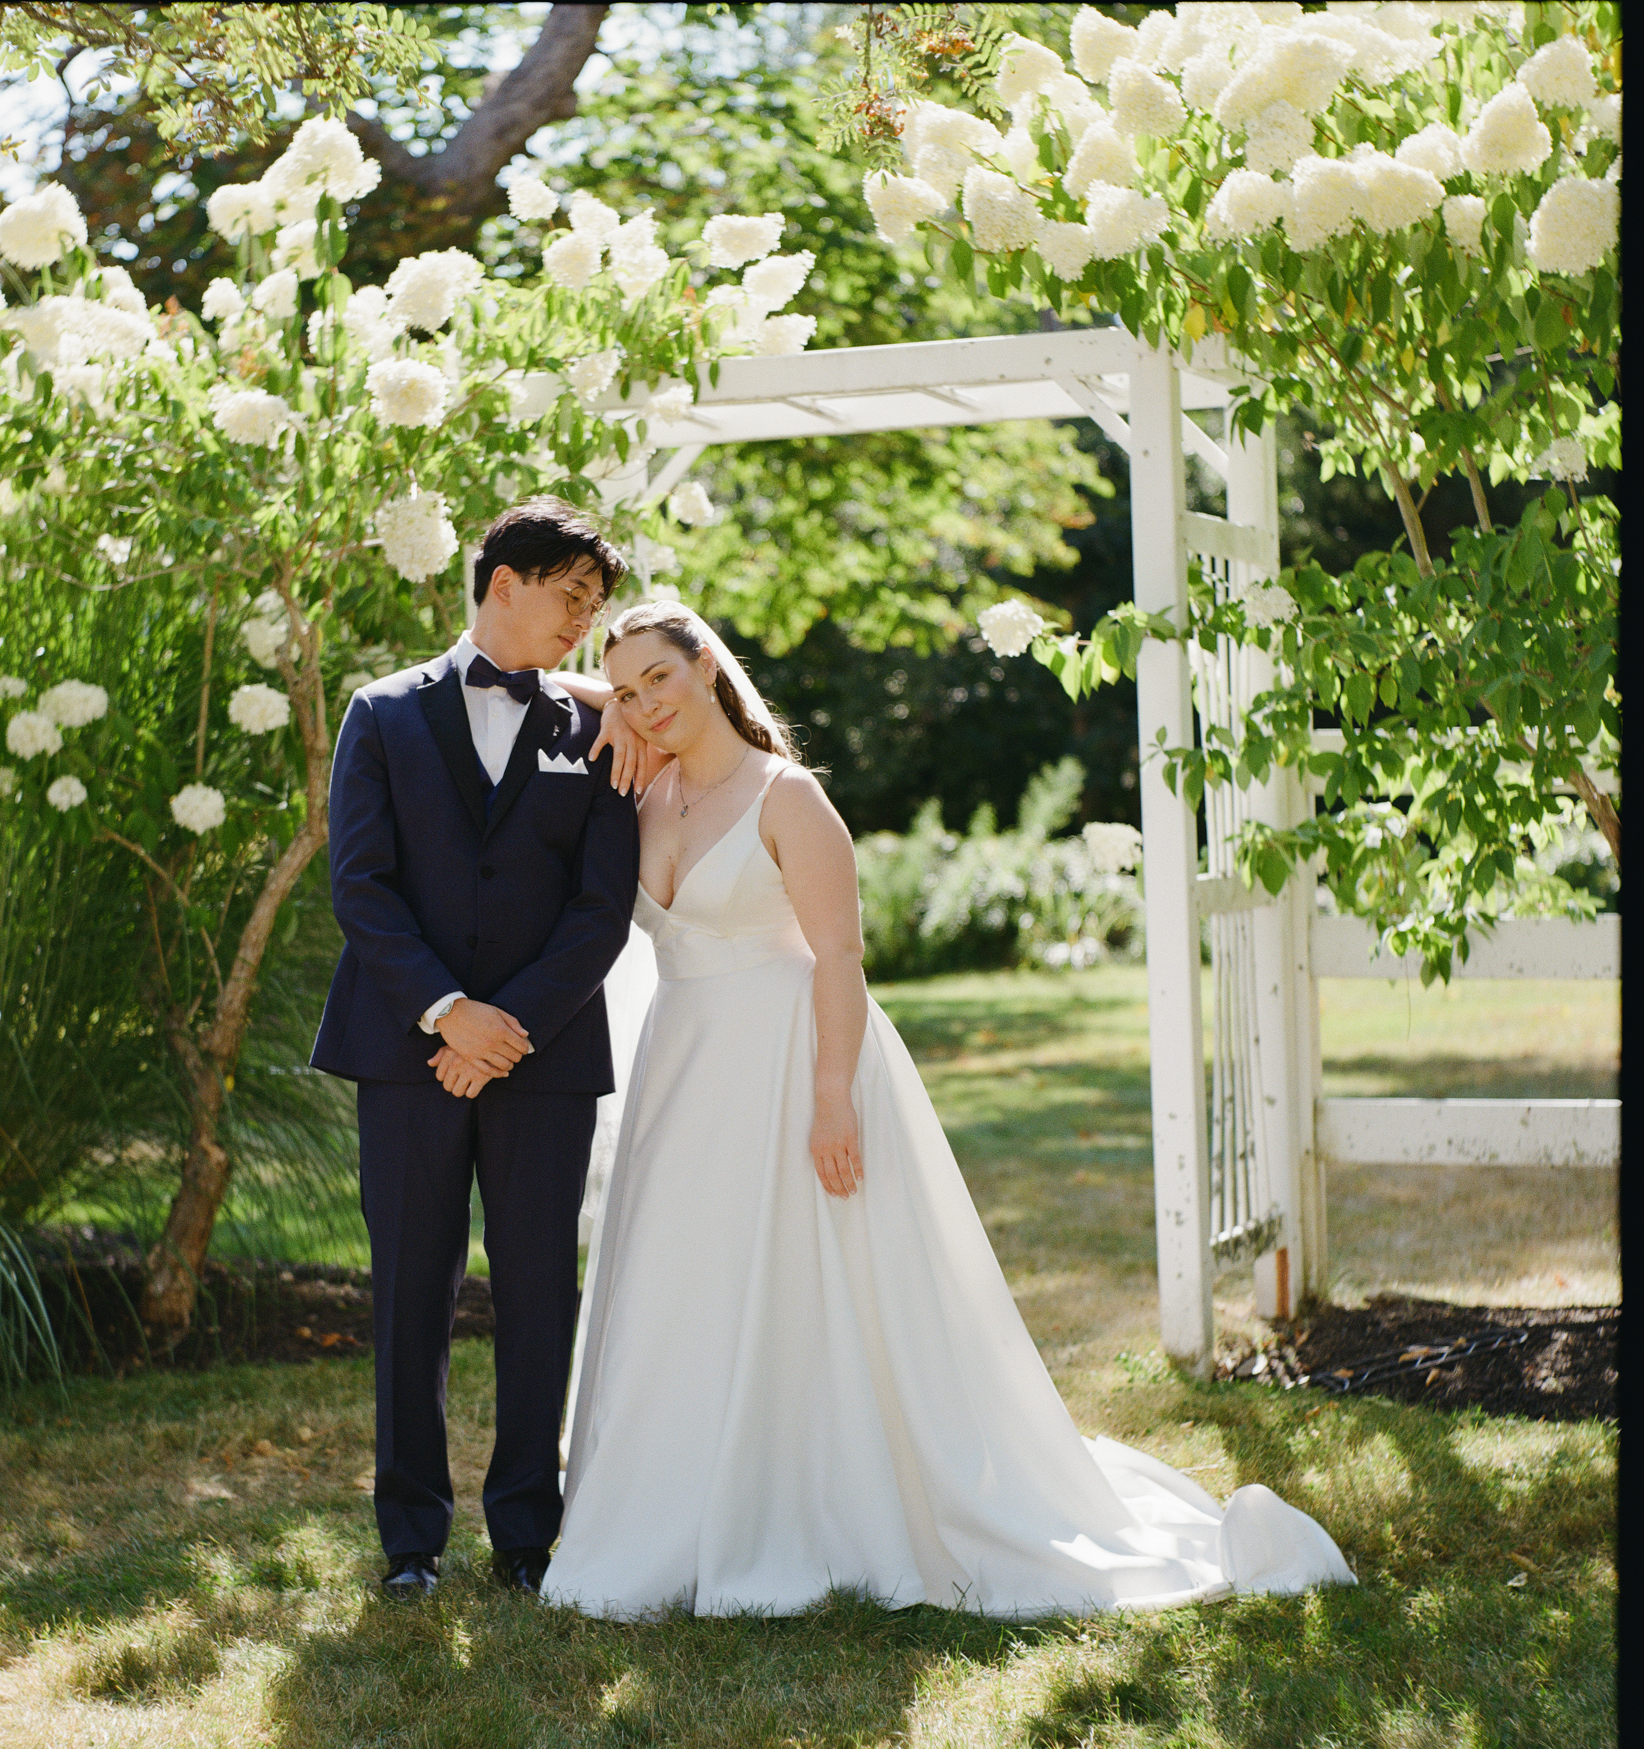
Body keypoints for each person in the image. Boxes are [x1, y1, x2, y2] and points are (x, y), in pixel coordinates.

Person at [542, 600, 1355, 1620]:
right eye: (624, 690)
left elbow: (839, 956)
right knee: (684, 1282)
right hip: (681, 1073)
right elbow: (531, 683)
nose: (643, 704)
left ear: (707, 667)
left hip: (791, 1062)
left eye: (659, 678)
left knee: (807, 1285)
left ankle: (807, 1505)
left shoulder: (783, 798)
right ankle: (673, 1508)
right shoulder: (647, 789)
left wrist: (832, 1095)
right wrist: (605, 705)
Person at [310, 499, 638, 1599]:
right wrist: (450, 1013)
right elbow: (360, 885)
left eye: (597, 607)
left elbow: (602, 906)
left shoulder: (594, 730)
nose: (586, 626)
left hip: (543, 1059)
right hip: (409, 1052)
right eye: (573, 599)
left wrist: (510, 1028)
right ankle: (410, 1540)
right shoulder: (380, 713)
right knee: (410, 1290)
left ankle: (526, 1536)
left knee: (541, 1289)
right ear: (505, 583)